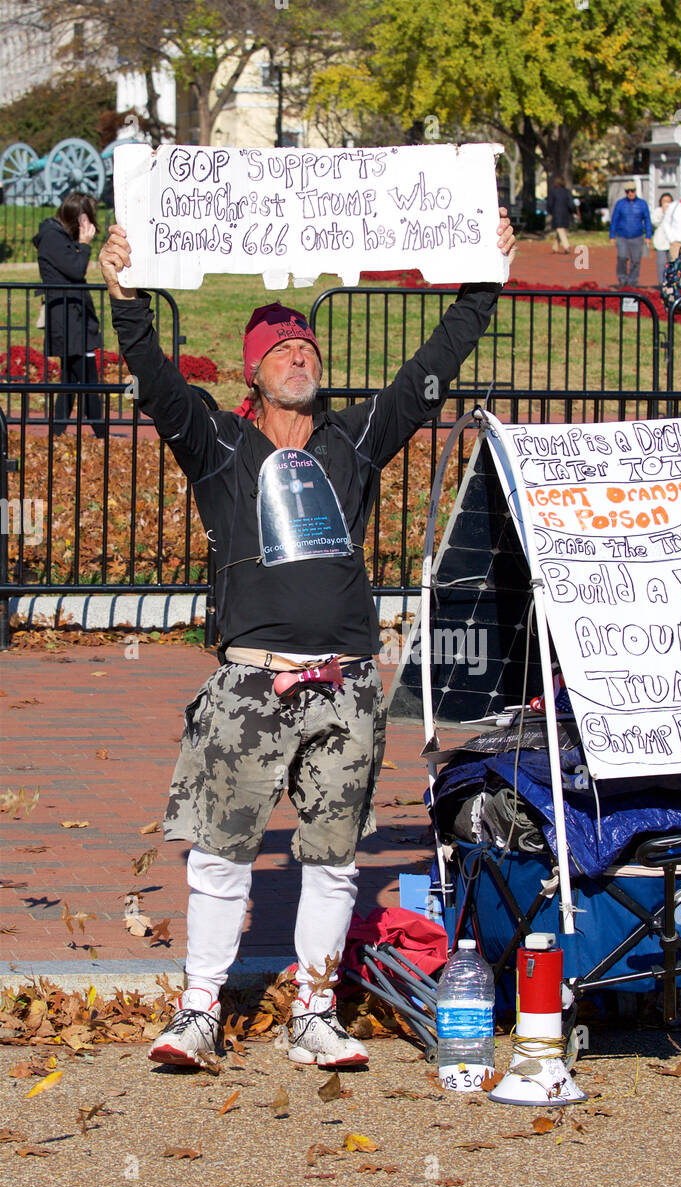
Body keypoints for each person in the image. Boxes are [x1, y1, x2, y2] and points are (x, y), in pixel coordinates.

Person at [98, 211, 516, 1071]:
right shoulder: (218, 441)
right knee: (222, 855)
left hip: (347, 687)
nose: (303, 356)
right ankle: (200, 1010)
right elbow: (152, 379)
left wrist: (483, 283)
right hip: (251, 687)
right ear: (254, 372)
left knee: (332, 859)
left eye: (311, 349)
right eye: (285, 349)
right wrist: (125, 299)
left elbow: (428, 370)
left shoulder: (352, 441)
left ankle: (315, 1012)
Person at [33, 192, 106, 437]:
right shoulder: (52, 237)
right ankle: (99, 430)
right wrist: (84, 245)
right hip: (67, 318)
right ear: (80, 219)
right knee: (86, 376)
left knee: (73, 377)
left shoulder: (59, 237)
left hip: (74, 316)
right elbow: (75, 270)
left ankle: (59, 429)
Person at [609, 181, 652, 287]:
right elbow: (614, 219)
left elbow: (647, 220)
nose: (630, 193)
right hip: (622, 236)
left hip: (637, 236)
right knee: (622, 258)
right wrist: (612, 235)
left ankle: (632, 281)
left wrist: (648, 235)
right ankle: (622, 279)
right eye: (628, 191)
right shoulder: (620, 204)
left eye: (632, 191)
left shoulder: (642, 204)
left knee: (636, 260)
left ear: (635, 191)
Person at [651, 192, 674, 286]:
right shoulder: (657, 211)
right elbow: (655, 222)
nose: (666, 203)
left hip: (672, 241)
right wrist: (663, 213)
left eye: (668, 201)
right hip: (660, 242)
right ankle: (661, 282)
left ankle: (671, 282)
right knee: (661, 264)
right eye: (664, 201)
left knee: (672, 263)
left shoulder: (674, 211)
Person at [547, 177, 574, 253]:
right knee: (560, 230)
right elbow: (570, 204)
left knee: (560, 229)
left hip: (556, 213)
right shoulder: (567, 192)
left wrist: (550, 211)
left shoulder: (553, 192)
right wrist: (571, 212)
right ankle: (555, 247)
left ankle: (566, 245)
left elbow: (550, 204)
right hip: (565, 213)